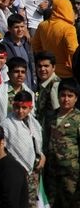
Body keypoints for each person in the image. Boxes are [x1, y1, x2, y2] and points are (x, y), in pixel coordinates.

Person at [0, 91, 44, 208]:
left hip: (33, 171)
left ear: (30, 108)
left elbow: (37, 144)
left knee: (31, 201)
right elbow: (3, 148)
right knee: (16, 200)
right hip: (15, 170)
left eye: (24, 108)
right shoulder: (7, 124)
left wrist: (42, 156)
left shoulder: (34, 123)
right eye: (17, 107)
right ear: (13, 106)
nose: (20, 111)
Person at [43, 78, 80, 207]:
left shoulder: (78, 118)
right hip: (52, 173)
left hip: (72, 175)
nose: (66, 99)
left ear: (76, 98)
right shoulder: (50, 117)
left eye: (70, 96)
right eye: (63, 95)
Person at [32, 0, 79, 78]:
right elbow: (73, 52)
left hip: (48, 72)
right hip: (66, 73)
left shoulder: (42, 25)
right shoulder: (69, 28)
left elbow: (35, 46)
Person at [0, 57, 34, 123]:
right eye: (16, 71)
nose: (20, 75)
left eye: (23, 72)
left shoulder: (30, 93)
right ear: (8, 74)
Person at [34, 51, 61, 124]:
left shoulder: (55, 85)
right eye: (39, 66)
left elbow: (58, 113)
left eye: (46, 66)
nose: (42, 69)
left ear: (53, 67)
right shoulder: (41, 84)